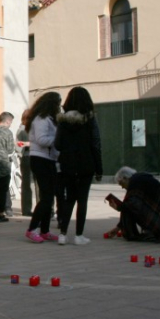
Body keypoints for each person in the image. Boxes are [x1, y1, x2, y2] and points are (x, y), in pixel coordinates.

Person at [54, 86, 103, 246]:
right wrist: (99, 167)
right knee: (82, 200)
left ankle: (62, 234)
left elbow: (58, 144)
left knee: (69, 199)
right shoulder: (90, 119)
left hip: (67, 164)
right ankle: (79, 235)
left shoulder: (62, 121)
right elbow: (96, 144)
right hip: (86, 163)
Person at [105, 166, 160, 243]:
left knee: (128, 206)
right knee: (128, 205)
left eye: (121, 183)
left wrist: (119, 207)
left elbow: (131, 205)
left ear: (125, 178)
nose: (122, 187)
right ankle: (156, 231)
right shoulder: (138, 179)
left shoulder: (136, 182)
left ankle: (143, 233)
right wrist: (118, 228)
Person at [25, 91, 62, 243]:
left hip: (49, 159)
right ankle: (32, 229)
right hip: (40, 159)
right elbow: (41, 139)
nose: (59, 107)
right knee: (46, 196)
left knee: (50, 196)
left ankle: (45, 230)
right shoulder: (41, 118)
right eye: (58, 104)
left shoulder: (49, 119)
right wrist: (58, 139)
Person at [16, 109, 33, 216]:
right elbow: (18, 144)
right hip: (27, 158)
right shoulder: (21, 130)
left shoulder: (35, 128)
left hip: (36, 157)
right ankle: (26, 210)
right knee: (26, 184)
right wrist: (28, 144)